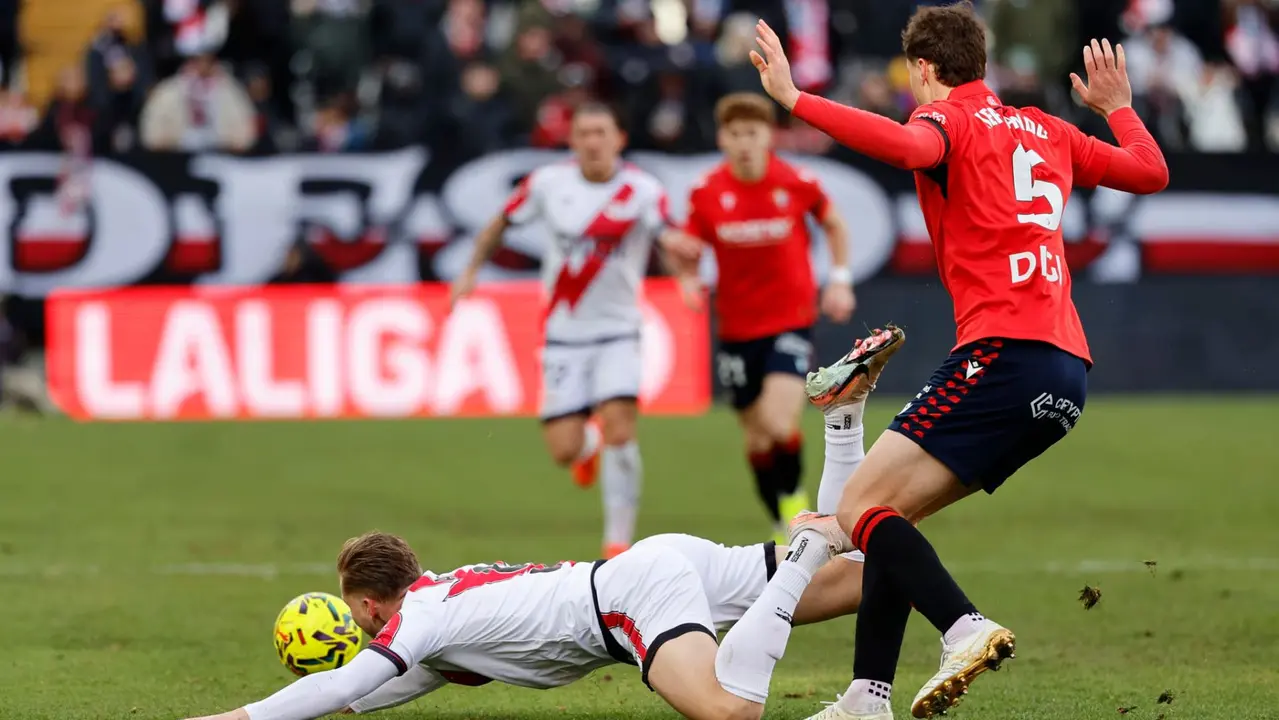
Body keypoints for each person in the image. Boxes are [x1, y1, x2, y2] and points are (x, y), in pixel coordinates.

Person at [713, 5, 1169, 720]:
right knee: (887, 521)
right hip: (1064, 375)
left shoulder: (946, 121)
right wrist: (1117, 109)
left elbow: (908, 150)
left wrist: (796, 100)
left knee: (856, 508)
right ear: (980, 63)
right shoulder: (1047, 130)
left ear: (923, 70)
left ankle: (963, 627)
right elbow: (1149, 172)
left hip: (1001, 354)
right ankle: (867, 698)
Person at [181, 327, 904, 720]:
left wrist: (234, 719)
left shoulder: (421, 620)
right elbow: (357, 696)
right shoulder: (439, 611)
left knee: (727, 711)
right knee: (859, 581)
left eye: (355, 615)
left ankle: (806, 546)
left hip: (630, 599)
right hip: (650, 568)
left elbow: (339, 687)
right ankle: (841, 419)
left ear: (371, 606)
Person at [450, 103, 691, 560]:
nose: (592, 142)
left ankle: (618, 543)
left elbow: (666, 236)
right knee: (563, 449)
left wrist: (686, 277)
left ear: (619, 138)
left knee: (622, 428)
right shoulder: (547, 183)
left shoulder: (642, 190)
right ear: (572, 140)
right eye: (583, 133)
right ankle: (588, 447)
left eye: (601, 132)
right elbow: (501, 221)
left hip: (620, 330)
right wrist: (470, 271)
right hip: (564, 334)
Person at [676, 92, 855, 545]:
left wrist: (839, 279)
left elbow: (834, 223)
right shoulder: (706, 191)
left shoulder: (796, 181)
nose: (744, 143)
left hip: (789, 322)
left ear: (768, 135)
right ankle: (778, 520)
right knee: (756, 439)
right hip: (736, 329)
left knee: (779, 423)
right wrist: (684, 279)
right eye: (734, 134)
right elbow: (686, 246)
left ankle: (794, 499)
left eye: (752, 133)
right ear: (722, 138)